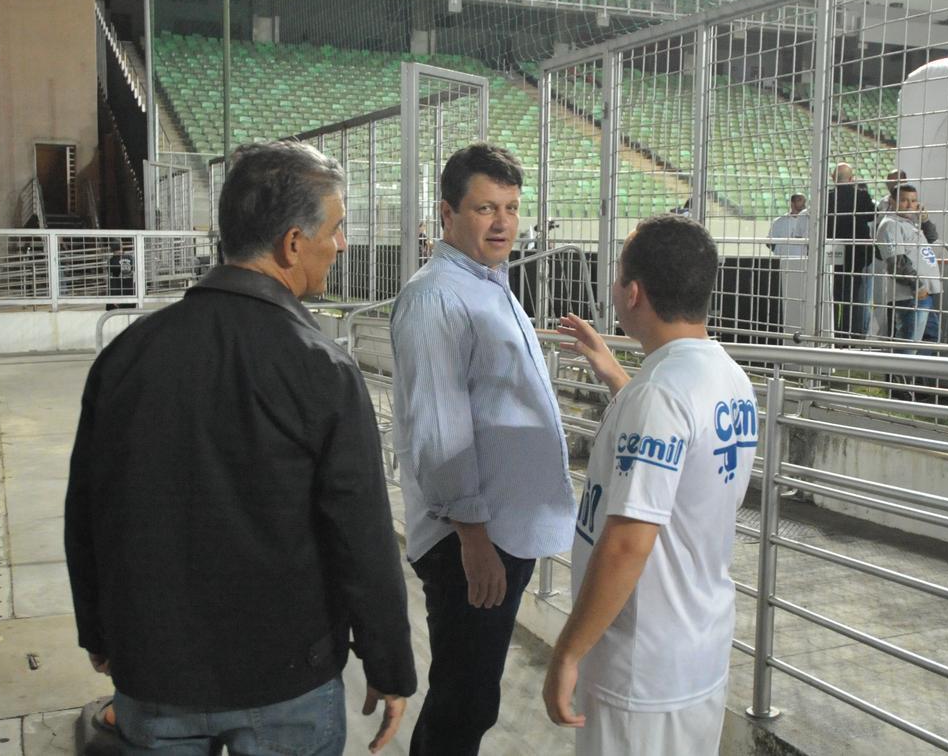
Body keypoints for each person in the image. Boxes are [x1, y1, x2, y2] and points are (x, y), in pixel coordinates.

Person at [65, 142, 416, 756]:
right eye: (335, 231)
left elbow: (87, 511)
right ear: (291, 244)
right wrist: (389, 663)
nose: (341, 245)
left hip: (152, 668)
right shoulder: (321, 370)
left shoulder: (127, 357)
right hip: (285, 680)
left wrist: (99, 629)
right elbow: (360, 533)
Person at [542, 215, 757, 755]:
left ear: (633, 293)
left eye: (617, 276)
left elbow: (627, 543)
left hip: (639, 672)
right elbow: (674, 445)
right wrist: (612, 370)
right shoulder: (726, 376)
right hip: (693, 653)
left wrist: (568, 652)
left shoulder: (658, 396)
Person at [391, 143, 576, 755]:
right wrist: (473, 540)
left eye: (512, 208)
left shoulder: (488, 282)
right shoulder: (437, 295)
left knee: (469, 698)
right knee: (462, 702)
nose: (502, 222)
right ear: (446, 214)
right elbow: (440, 429)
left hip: (496, 533)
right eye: (485, 208)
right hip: (470, 541)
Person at [876, 183, 941, 398]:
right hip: (911, 294)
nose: (910, 205)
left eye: (914, 201)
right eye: (904, 200)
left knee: (927, 339)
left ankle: (918, 387)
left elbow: (932, 238)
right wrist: (917, 285)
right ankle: (901, 392)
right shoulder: (890, 225)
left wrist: (925, 219)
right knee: (909, 341)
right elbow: (896, 262)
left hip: (926, 293)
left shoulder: (911, 223)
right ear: (893, 201)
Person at [825, 163, 877, 339]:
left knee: (833, 293)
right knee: (856, 297)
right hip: (858, 253)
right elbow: (872, 215)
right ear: (852, 178)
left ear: (833, 178)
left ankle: (833, 332)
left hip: (833, 249)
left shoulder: (825, 196)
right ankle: (852, 335)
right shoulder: (860, 195)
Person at [105, 238, 136, 311]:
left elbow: (111, 280)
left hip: (117, 296)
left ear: (111, 249)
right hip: (131, 294)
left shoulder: (111, 261)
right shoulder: (131, 258)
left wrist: (112, 298)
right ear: (122, 246)